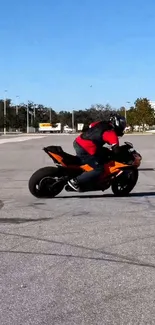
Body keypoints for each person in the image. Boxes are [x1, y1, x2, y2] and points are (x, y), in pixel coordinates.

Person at [68, 113, 127, 191]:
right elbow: (116, 150)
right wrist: (121, 156)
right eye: (122, 124)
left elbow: (90, 126)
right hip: (86, 148)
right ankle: (75, 181)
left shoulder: (101, 123)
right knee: (99, 169)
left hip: (78, 141)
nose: (123, 127)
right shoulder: (111, 134)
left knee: (105, 152)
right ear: (117, 124)